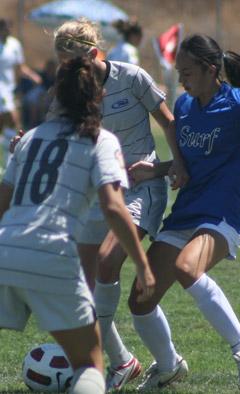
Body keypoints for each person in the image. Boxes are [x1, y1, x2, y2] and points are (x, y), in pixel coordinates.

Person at [127, 34, 240, 391]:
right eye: (179, 72)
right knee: (141, 298)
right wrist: (157, 169)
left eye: (187, 72)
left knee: (187, 267)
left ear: (210, 70)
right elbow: (186, 162)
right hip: (187, 211)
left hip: (222, 214)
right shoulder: (186, 106)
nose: (181, 80)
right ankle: (168, 365)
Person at [43, 18, 188, 392]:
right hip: (97, 191)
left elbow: (169, 123)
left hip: (141, 188)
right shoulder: (69, 91)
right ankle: (126, 362)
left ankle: (97, 356)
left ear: (93, 54)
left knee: (108, 261)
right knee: (83, 282)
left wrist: (171, 167)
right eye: (62, 62)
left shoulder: (132, 77)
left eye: (72, 62)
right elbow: (55, 133)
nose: (67, 70)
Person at [0, 56, 156, 394]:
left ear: (55, 95)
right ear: (97, 98)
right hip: (52, 255)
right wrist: (143, 267)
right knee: (89, 365)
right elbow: (115, 208)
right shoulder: (100, 141)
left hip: (5, 250)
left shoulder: (28, 139)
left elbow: (2, 205)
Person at [0, 18, 42, 164]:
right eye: (5, 28)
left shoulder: (14, 45)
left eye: (9, 27)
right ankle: (9, 161)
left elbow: (20, 67)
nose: (8, 30)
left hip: (9, 90)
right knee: (13, 121)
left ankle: (7, 162)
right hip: (1, 91)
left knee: (8, 126)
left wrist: (33, 76)